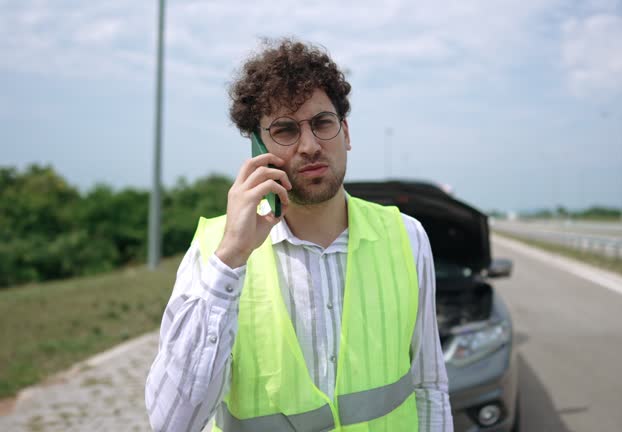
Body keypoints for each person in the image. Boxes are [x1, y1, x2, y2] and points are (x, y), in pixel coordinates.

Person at [145, 38, 452, 432]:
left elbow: (429, 388)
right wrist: (231, 260)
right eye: (285, 130)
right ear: (258, 148)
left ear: (345, 132)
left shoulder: (408, 237)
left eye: (322, 123)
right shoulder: (214, 252)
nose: (309, 146)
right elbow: (173, 423)